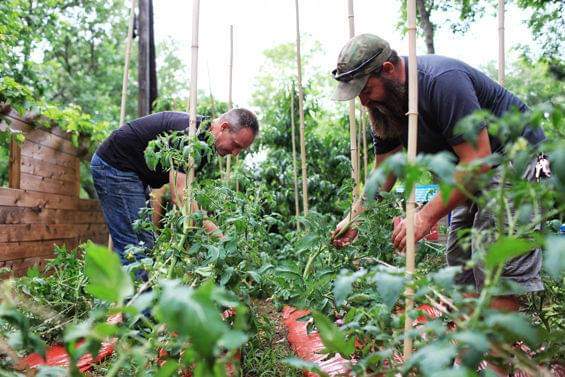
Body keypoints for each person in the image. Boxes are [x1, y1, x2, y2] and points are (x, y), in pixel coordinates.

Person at [329, 34, 546, 308]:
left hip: (517, 158)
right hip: (473, 170)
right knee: (460, 264)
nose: (363, 102)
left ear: (388, 70)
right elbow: (384, 171)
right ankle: (472, 345)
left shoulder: (442, 81)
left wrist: (423, 218)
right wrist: (354, 217)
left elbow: (479, 161)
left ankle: (495, 347)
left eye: (366, 90)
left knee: (495, 265)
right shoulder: (386, 106)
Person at [90, 109, 259, 270]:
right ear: (223, 128)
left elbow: (187, 190)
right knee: (136, 248)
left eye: (241, 150)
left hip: (132, 175)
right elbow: (180, 195)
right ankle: (135, 298)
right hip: (115, 167)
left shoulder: (204, 144)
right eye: (236, 145)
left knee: (144, 244)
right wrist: (219, 237)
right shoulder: (190, 135)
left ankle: (131, 294)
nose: (235, 153)